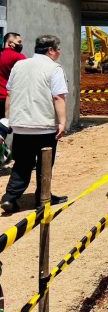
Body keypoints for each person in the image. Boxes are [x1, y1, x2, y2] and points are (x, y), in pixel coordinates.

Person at [0, 35, 68, 213]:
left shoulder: (19, 65)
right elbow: (58, 97)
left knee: (22, 163)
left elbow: (10, 94)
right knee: (45, 163)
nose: (59, 52)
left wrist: (9, 119)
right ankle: (42, 198)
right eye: (58, 49)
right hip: (44, 125)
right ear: (51, 50)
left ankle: (10, 198)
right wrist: (62, 122)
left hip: (21, 125)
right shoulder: (54, 68)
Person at [0, 32, 27, 118]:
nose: (21, 45)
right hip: (7, 98)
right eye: (19, 42)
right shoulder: (18, 57)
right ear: (9, 43)